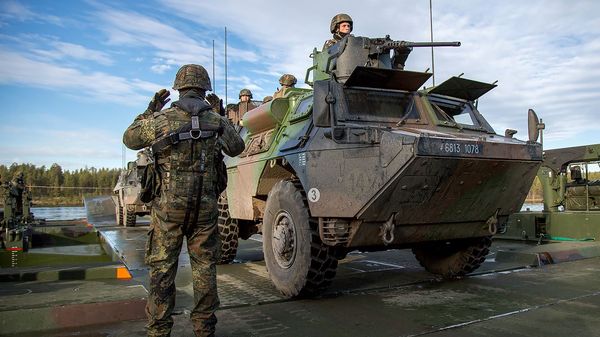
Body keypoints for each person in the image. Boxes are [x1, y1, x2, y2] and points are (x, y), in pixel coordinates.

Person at [123, 64, 245, 337]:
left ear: (179, 88)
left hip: (168, 209)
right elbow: (237, 146)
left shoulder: (161, 119)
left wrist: (150, 110)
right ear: (205, 89)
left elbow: (130, 138)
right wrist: (221, 114)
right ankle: (204, 329)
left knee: (162, 269)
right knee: (204, 268)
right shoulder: (216, 121)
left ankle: (159, 330)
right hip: (204, 208)